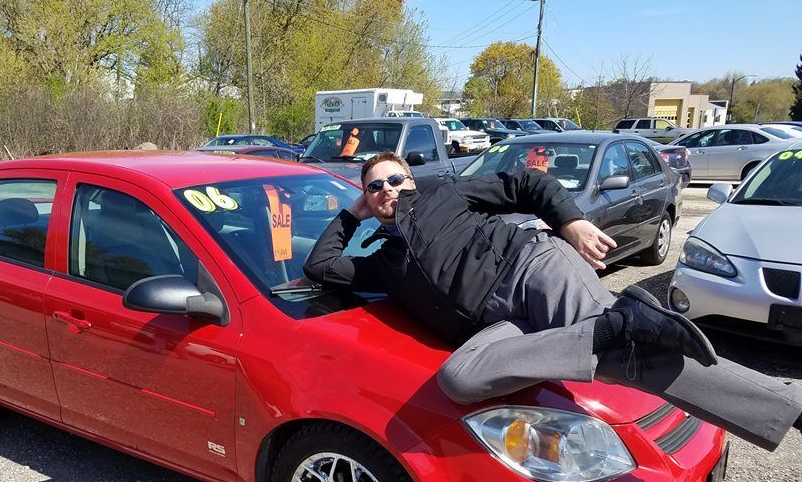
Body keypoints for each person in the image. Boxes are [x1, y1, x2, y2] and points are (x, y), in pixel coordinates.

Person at [303, 151, 802, 451]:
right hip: (498, 325)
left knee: (634, 362)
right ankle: (616, 324)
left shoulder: (443, 193)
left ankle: (785, 405)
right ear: (367, 197)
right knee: (458, 379)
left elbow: (527, 182)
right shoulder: (384, 263)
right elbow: (320, 266)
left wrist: (571, 221)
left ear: (410, 180)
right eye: (375, 186)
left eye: (395, 179)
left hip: (531, 269)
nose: (388, 189)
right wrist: (351, 214)